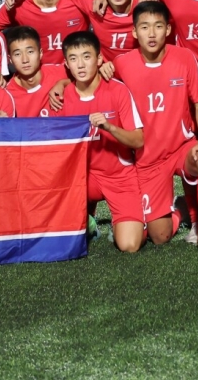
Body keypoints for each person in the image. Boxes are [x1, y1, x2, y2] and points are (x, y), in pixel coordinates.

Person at [111, 1, 198, 262]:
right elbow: (94, 82)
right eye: (144, 27)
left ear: (168, 29)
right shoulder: (121, 64)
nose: (152, 33)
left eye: (158, 26)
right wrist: (62, 82)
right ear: (134, 32)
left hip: (182, 147)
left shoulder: (184, 57)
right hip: (148, 158)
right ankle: (181, 208)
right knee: (159, 236)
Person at [53, 32, 145, 252]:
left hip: (119, 176)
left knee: (129, 245)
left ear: (99, 58)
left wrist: (109, 127)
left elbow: (138, 140)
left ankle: (124, 223)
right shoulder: (61, 98)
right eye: (73, 58)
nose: (80, 64)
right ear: (66, 64)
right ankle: (89, 221)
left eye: (86, 56)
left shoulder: (118, 90)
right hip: (82, 178)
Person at [4, 26, 69, 117]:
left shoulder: (60, 72)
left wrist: (63, 83)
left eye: (30, 52)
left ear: (40, 53)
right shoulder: (7, 95)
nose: (25, 60)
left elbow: (89, 81)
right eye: (17, 54)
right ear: (10, 59)